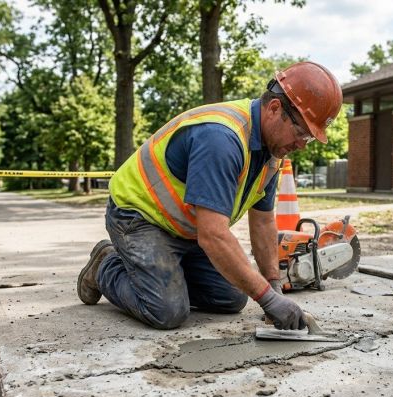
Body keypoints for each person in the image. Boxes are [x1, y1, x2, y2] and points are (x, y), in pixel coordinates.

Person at [76, 62, 343, 331]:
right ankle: (105, 265)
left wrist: (273, 288)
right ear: (274, 108)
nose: (301, 145)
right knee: (167, 311)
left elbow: (262, 222)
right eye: (301, 133)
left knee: (232, 297)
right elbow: (213, 235)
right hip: (139, 217)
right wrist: (267, 299)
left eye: (308, 138)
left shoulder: (272, 153)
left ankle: (163, 276)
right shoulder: (222, 139)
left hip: (185, 229)